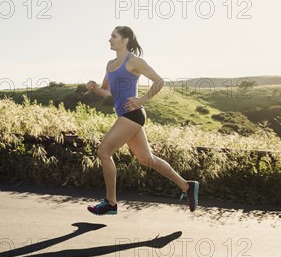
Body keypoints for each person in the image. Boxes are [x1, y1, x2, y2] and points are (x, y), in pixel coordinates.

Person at [85, 26, 199, 215]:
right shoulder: (110, 64)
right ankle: (187, 186)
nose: (109, 39)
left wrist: (142, 99)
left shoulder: (134, 61)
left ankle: (110, 203)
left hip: (133, 114)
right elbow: (107, 92)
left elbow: (159, 81)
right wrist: (95, 88)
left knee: (104, 151)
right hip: (125, 116)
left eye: (114, 36)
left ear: (125, 40)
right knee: (147, 159)